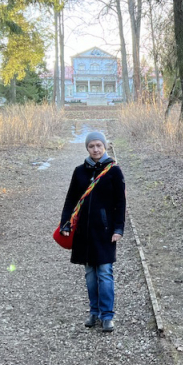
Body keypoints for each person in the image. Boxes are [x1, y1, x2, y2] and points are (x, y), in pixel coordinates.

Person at [59, 131, 126, 333]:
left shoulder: (114, 171)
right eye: (91, 146)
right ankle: (94, 312)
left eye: (99, 145)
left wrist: (118, 228)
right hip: (84, 232)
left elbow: (120, 202)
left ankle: (107, 316)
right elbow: (71, 199)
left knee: (105, 273)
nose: (96, 149)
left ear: (104, 146)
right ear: (87, 148)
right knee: (90, 274)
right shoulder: (79, 171)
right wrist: (66, 224)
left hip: (105, 231)